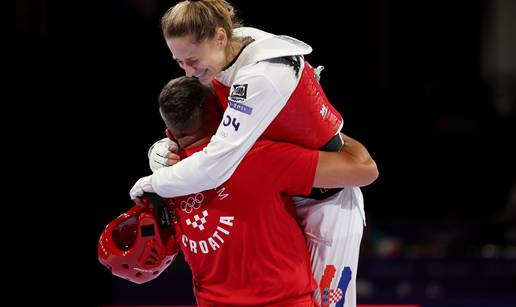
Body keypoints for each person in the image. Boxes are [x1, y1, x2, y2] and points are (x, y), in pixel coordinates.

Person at [130, 1, 373, 306]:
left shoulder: (261, 76)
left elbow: (214, 166)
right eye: (179, 62)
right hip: (287, 189)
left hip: (328, 201)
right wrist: (164, 147)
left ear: (220, 37)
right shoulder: (226, 49)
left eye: (192, 60)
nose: (189, 73)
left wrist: (156, 183)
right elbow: (201, 125)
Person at [152, 76, 376, 306]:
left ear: (170, 134)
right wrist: (322, 129)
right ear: (226, 113)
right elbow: (365, 170)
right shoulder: (259, 157)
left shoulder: (163, 182)